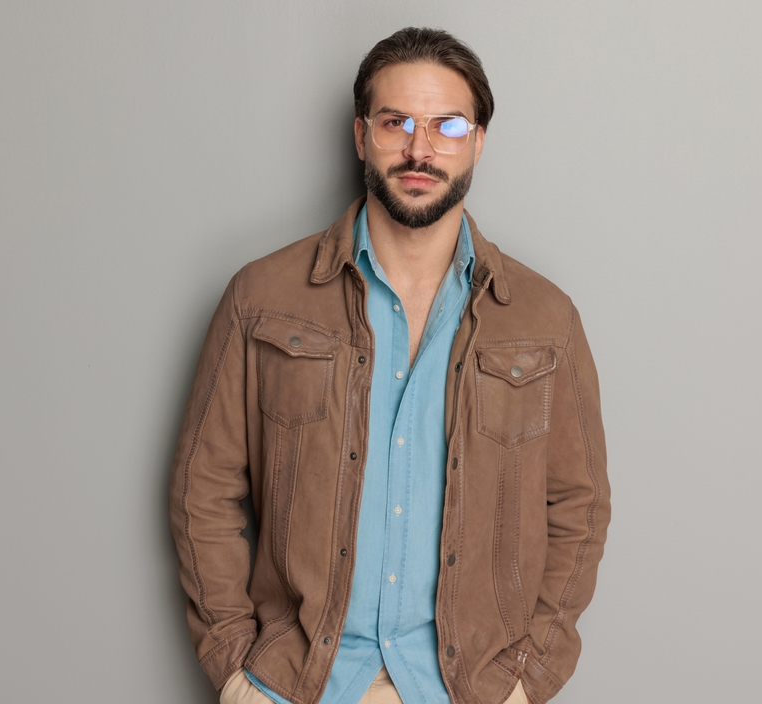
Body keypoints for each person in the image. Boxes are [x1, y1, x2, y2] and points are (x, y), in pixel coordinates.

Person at [169, 27, 610, 704]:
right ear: (360, 135)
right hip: (299, 686)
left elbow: (579, 508)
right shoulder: (262, 299)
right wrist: (235, 672)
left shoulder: (544, 319)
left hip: (469, 690)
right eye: (394, 121)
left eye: (448, 125)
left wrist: (530, 681)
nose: (420, 148)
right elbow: (205, 489)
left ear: (479, 141)